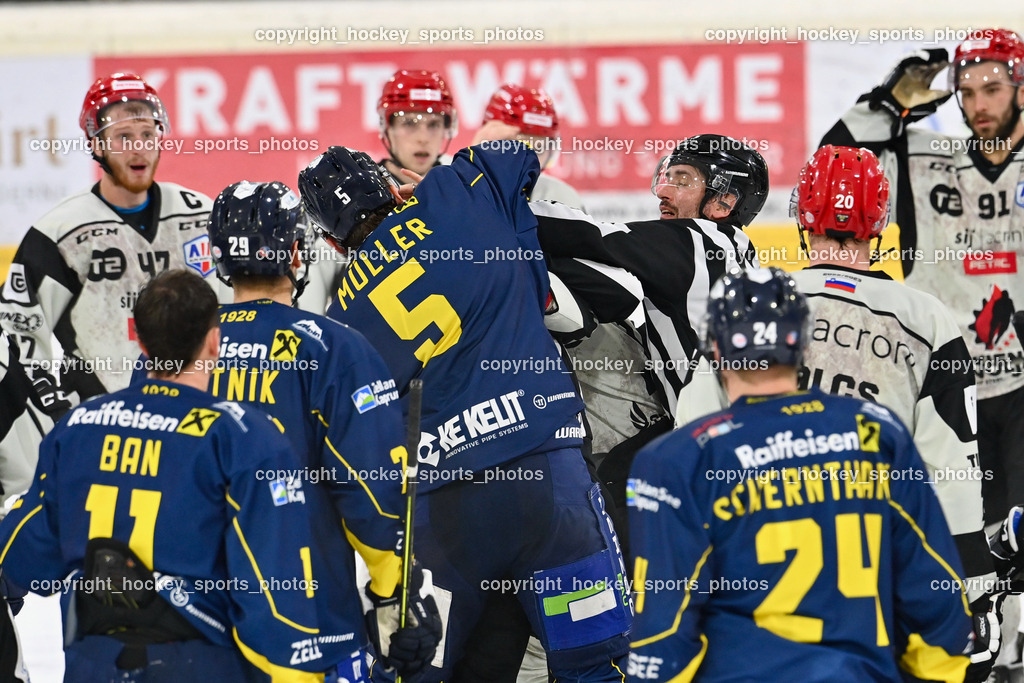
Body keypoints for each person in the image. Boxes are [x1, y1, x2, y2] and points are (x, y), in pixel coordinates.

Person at [298, 142, 631, 681]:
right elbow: (516, 156)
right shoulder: (455, 194)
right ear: (391, 187)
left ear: (333, 241)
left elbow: (348, 441)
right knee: (598, 666)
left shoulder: (342, 318)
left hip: (444, 516)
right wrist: (433, 188)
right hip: (549, 479)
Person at [0, 269, 366, 681]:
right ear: (215, 343)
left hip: (96, 662)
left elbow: (24, 555)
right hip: (200, 663)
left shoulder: (78, 427)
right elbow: (272, 594)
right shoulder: (243, 436)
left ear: (139, 340)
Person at [627, 266, 976, 682]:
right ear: (803, 345)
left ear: (715, 350)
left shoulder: (674, 460)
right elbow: (937, 603)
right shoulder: (877, 433)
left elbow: (664, 632)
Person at [206, 179, 441, 679]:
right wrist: (395, 593)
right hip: (306, 624)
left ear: (217, 255)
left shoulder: (176, 353)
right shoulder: (335, 348)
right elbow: (370, 491)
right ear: (296, 250)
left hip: (191, 628)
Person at [819, 30, 1024, 529]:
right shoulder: (922, 157)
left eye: (992, 89)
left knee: (1015, 545)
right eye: (967, 91)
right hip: (944, 387)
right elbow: (834, 159)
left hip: (1021, 390)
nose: (978, 104)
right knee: (954, 536)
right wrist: (886, 103)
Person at [0, 73, 227, 412]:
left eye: (147, 135)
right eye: (123, 137)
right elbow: (19, 328)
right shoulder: (61, 232)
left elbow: (237, 313)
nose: (139, 148)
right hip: (103, 430)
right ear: (95, 144)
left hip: (196, 418)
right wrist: (58, 410)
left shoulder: (200, 214)